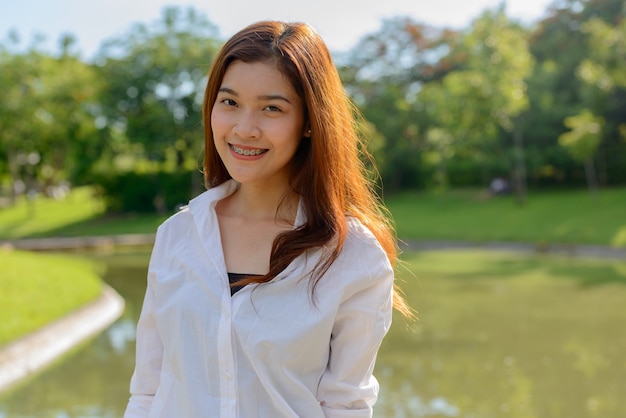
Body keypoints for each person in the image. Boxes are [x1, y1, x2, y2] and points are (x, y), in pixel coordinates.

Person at [124, 20, 413, 418]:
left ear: (310, 122)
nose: (244, 128)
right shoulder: (177, 236)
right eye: (229, 103)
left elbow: (346, 406)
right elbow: (147, 392)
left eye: (271, 108)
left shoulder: (353, 256)